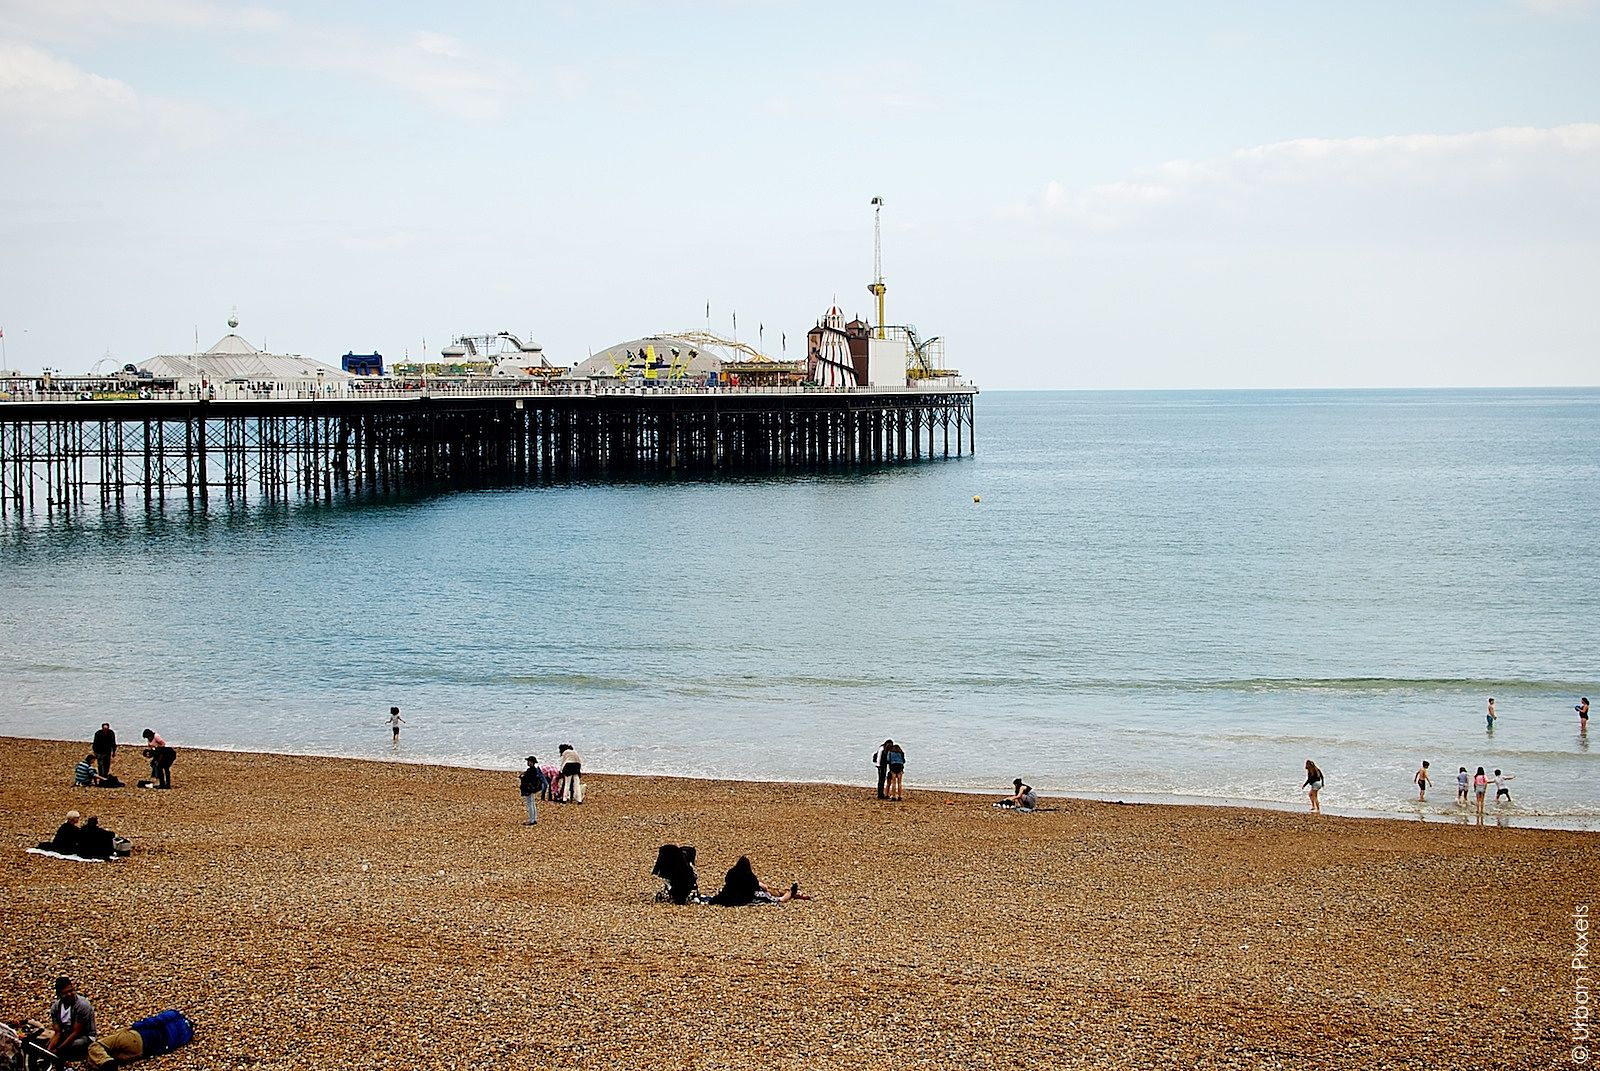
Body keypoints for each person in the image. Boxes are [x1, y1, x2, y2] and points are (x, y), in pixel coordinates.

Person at [708, 856, 809, 906]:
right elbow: (759, 887)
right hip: (745, 896)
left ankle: (790, 893)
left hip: (728, 895)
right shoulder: (749, 876)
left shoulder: (732, 873)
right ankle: (790, 893)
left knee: (769, 890)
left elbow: (727, 881)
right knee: (776, 898)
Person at [45, 977, 96, 1063]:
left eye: (71, 991)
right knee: (45, 1044)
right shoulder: (55, 1008)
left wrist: (58, 1049)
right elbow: (58, 1033)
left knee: (73, 1045)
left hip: (84, 1036)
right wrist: (48, 1050)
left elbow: (76, 1032)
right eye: (65, 993)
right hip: (66, 1033)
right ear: (59, 994)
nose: (69, 994)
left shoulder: (82, 1006)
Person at [518, 756, 544, 825]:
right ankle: (534, 818)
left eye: (529, 761)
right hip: (532, 788)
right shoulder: (534, 770)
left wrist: (522, 777)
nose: (528, 763)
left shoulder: (530, 771)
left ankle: (531, 820)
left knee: (530, 804)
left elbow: (526, 779)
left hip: (528, 788)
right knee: (532, 803)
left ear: (532, 762)